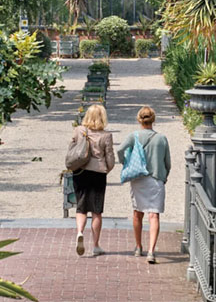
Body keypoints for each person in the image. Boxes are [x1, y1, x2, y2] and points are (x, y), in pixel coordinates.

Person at [117, 105, 171, 263]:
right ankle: (151, 251)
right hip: (156, 179)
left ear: (139, 119)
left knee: (137, 213)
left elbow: (120, 149)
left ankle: (138, 246)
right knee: (154, 215)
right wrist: (164, 176)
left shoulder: (133, 136)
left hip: (138, 179)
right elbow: (168, 163)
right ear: (153, 119)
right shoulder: (161, 138)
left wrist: (126, 163)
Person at [69, 103, 114, 257]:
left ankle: (80, 232)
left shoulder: (79, 131)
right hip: (98, 174)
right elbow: (110, 158)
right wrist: (107, 169)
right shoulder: (106, 136)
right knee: (96, 210)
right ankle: (95, 245)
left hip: (80, 171)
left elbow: (72, 149)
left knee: (81, 207)